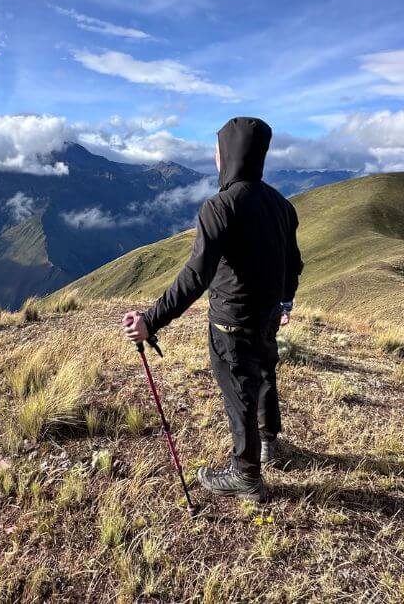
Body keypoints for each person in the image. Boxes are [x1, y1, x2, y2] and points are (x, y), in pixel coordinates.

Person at [122, 116, 302, 503]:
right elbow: (294, 263)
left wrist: (150, 320)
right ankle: (268, 441)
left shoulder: (220, 207)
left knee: (238, 390)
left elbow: (196, 276)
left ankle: (246, 475)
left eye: (218, 151)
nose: (216, 159)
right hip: (267, 315)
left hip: (231, 322)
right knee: (265, 373)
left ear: (229, 154)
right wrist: (284, 302)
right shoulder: (283, 206)